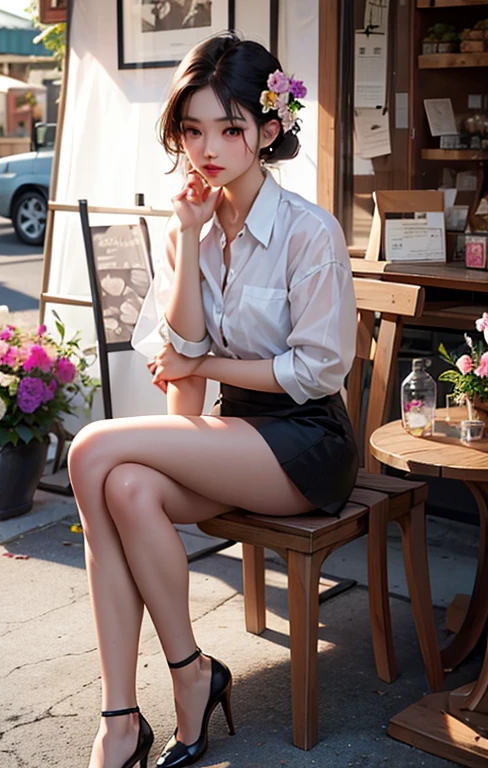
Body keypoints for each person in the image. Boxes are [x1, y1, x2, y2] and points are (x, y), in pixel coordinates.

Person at [68, 30, 359, 768]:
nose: (208, 148)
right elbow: (182, 353)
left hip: (305, 443)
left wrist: (214, 361)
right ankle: (138, 706)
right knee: (126, 487)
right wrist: (190, 241)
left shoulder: (308, 232)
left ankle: (166, 696)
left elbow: (318, 371)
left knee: (91, 449)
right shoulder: (190, 227)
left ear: (268, 129)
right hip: (230, 430)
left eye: (229, 129)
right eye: (192, 130)